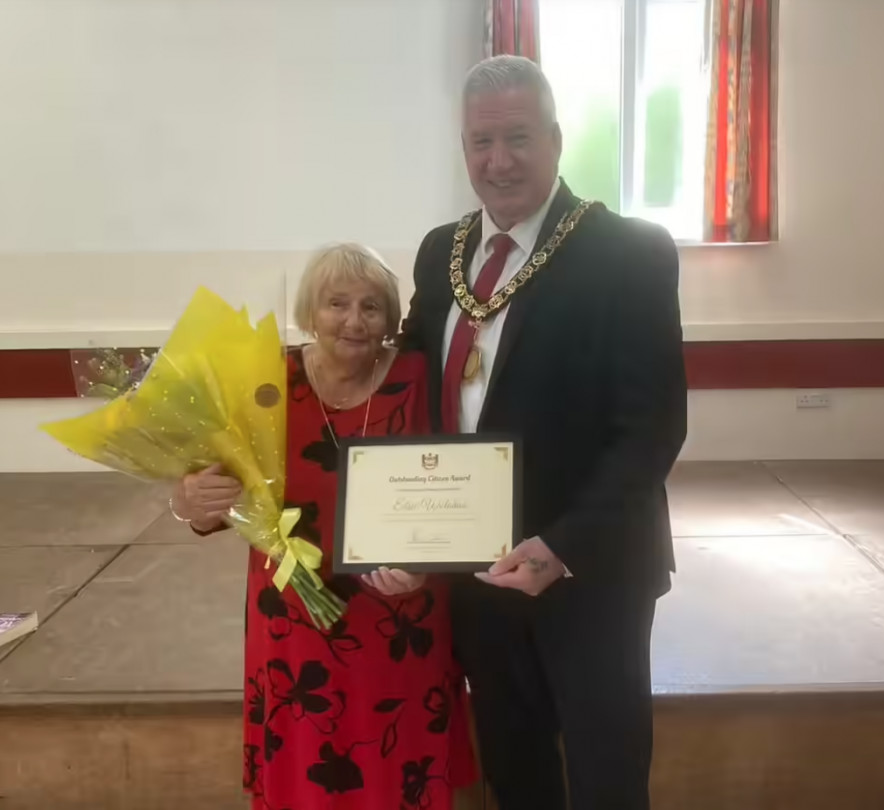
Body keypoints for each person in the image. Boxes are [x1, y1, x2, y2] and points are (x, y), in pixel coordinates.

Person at [399, 55, 687, 810]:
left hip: (590, 573)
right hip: (478, 569)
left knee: (605, 777)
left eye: (518, 137)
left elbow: (651, 430)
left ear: (556, 140)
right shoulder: (442, 253)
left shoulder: (628, 253)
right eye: (480, 142)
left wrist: (561, 548)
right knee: (515, 769)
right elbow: (399, 388)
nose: (499, 161)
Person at [170, 244, 477, 810]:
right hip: (293, 618)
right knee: (306, 767)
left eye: (371, 307)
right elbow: (207, 489)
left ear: (390, 320)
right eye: (337, 304)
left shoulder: (418, 378)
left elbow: (458, 491)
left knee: (398, 766)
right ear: (311, 311)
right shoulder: (267, 382)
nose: (354, 321)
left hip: (399, 612)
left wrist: (429, 560)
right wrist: (189, 502)